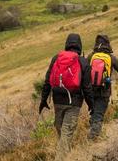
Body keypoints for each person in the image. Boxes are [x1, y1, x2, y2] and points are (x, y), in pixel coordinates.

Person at [39, 33, 94, 161]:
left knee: (62, 133)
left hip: (58, 101)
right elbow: (87, 88)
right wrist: (91, 105)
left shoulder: (56, 58)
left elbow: (47, 81)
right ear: (80, 45)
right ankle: (63, 157)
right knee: (66, 134)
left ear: (66, 44)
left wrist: (43, 100)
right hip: (74, 103)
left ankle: (66, 155)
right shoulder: (83, 62)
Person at [88, 35, 118, 140]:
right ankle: (93, 139)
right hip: (104, 91)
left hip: (90, 91)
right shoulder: (110, 58)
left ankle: (92, 133)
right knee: (98, 115)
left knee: (94, 113)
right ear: (107, 44)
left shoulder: (91, 56)